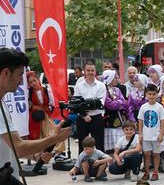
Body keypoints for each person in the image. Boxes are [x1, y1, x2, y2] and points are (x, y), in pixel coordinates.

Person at [0, 48, 71, 177]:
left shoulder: (2, 102)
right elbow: (19, 147)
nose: (21, 81)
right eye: (19, 74)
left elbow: (8, 144)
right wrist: (55, 138)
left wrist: (35, 155)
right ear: (6, 73)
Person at [26, 71, 66, 157]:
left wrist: (47, 109)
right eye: (30, 82)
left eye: (34, 80)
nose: (33, 83)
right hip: (35, 117)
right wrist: (34, 107)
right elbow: (27, 104)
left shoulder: (46, 89)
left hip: (46, 115)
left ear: (38, 79)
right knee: (37, 135)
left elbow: (52, 103)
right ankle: (39, 154)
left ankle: (58, 152)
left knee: (55, 131)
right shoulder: (29, 92)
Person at [73, 61, 107, 154]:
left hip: (96, 117)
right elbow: (77, 102)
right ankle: (82, 166)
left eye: (92, 70)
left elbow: (100, 103)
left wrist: (85, 104)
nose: (90, 72)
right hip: (82, 118)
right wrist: (84, 114)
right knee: (82, 144)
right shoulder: (79, 85)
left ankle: (101, 166)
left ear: (95, 71)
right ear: (84, 71)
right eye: (88, 70)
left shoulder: (101, 85)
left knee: (99, 144)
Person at [138, 83, 164, 181]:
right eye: (149, 94)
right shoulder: (143, 107)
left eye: (154, 94)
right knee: (146, 154)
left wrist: (161, 134)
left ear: (157, 94)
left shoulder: (159, 107)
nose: (151, 96)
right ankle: (146, 172)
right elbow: (140, 121)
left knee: (156, 154)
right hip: (146, 135)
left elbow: (162, 121)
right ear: (146, 94)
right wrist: (140, 134)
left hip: (156, 135)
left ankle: (155, 172)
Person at [102, 70, 127, 154]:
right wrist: (118, 103)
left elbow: (123, 102)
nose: (116, 80)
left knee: (118, 140)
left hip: (117, 117)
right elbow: (109, 105)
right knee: (109, 142)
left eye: (116, 78)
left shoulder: (117, 90)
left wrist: (117, 103)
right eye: (114, 78)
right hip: (108, 118)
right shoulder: (104, 90)